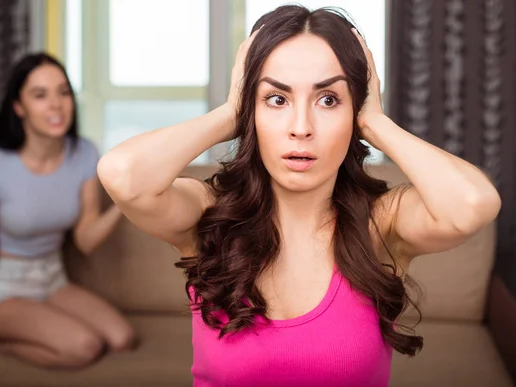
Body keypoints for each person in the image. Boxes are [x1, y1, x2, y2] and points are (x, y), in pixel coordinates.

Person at [97, 5, 501, 387]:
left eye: (329, 100)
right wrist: (228, 114)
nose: (301, 127)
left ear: (354, 111)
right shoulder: (209, 214)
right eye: (277, 99)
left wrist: (377, 123)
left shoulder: (383, 224)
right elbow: (123, 174)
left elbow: (472, 204)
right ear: (250, 110)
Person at [0, 53, 135, 369]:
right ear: (19, 107)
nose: (56, 105)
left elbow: (84, 240)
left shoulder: (84, 153)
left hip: (53, 280)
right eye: (40, 95)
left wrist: (126, 202)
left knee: (122, 339)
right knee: (84, 347)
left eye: (63, 92)